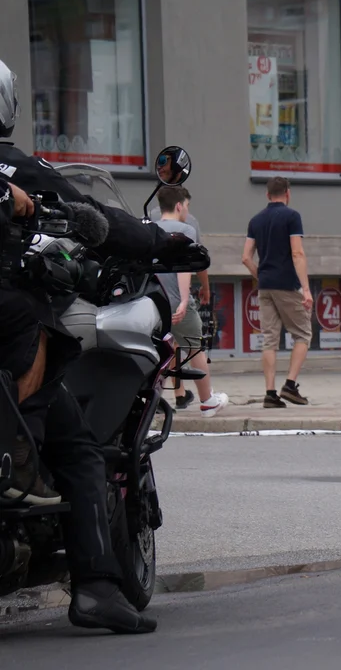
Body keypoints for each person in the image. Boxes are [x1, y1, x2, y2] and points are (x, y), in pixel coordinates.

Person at [0, 60, 163, 632]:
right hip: (14, 320)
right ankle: (95, 588)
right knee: (75, 446)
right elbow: (103, 224)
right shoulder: (17, 169)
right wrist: (161, 241)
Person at [154, 185, 228, 417]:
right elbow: (186, 267)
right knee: (195, 348)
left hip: (154, 302)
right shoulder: (185, 230)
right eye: (186, 205)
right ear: (178, 205)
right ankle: (207, 401)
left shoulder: (149, 228)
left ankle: (151, 402)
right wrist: (185, 300)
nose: (187, 210)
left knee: (158, 352)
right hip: (177, 301)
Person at [241, 177, 313, 408]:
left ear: (267, 195)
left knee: (270, 340)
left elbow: (245, 257)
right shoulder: (292, 217)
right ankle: (290, 385)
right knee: (303, 334)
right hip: (286, 284)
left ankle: (270, 394)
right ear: (288, 194)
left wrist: (260, 275)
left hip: (265, 286)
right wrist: (306, 289)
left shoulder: (256, 220)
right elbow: (297, 253)